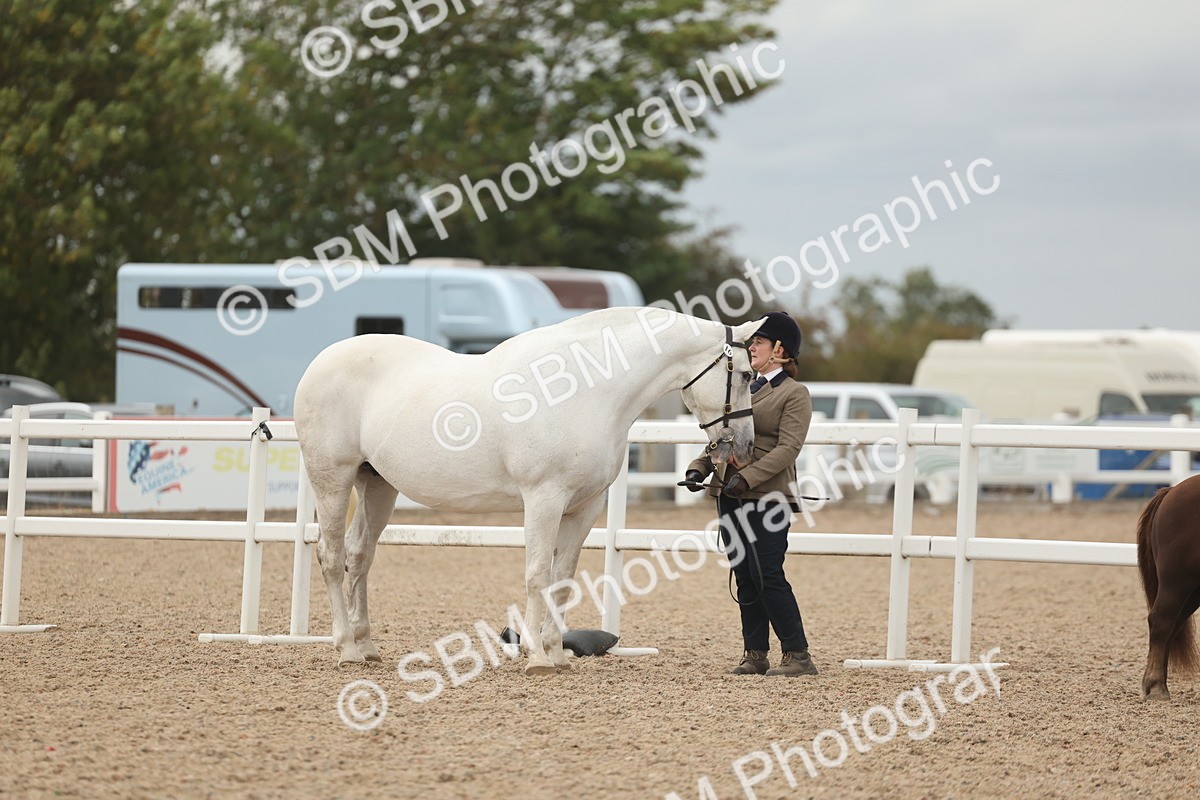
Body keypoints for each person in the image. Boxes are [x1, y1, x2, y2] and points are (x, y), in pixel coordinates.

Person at [684, 311, 816, 677]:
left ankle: (798, 654)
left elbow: (789, 447)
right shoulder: (741, 388)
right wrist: (701, 466)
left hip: (769, 496)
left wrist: (750, 478)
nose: (751, 347)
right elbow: (724, 437)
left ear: (780, 349)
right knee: (743, 574)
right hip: (730, 492)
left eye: (758, 341)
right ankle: (755, 652)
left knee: (767, 572)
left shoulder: (794, 394)